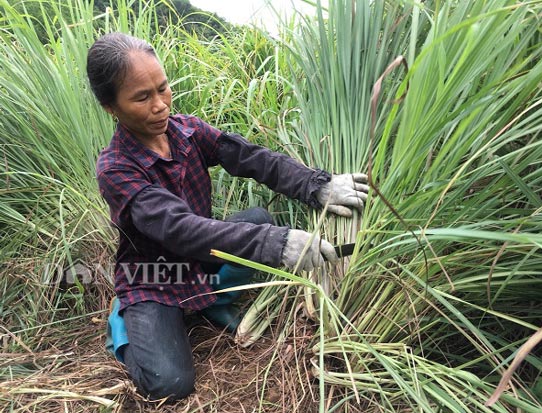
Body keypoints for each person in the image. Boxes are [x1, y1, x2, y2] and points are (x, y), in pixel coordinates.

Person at [86, 32, 369, 401]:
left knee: (259, 221)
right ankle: (124, 322)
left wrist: (317, 186)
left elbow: (250, 158)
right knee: (169, 384)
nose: (160, 106)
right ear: (111, 107)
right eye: (142, 97)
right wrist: (278, 244)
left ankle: (207, 300)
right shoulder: (116, 168)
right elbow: (177, 227)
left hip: (200, 258)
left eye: (162, 88)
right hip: (153, 276)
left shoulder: (186, 131)